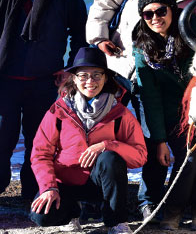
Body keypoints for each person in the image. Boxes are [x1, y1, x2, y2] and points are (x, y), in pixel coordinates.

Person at [0, 0, 87, 202]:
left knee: (40, 142)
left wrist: (71, 71)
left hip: (46, 81)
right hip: (5, 80)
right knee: (2, 139)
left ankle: (33, 193)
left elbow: (80, 34)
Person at [132, 0, 196, 231]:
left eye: (161, 11)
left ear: (172, 10)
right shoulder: (142, 47)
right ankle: (172, 212)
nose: (155, 18)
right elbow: (150, 97)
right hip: (172, 115)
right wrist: (160, 140)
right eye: (147, 14)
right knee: (189, 159)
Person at [29, 46, 146, 234]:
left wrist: (108, 145)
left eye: (97, 75)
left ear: (106, 77)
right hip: (65, 184)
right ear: (73, 79)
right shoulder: (58, 111)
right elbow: (40, 154)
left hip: (100, 184)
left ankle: (116, 221)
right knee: (42, 217)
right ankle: (73, 212)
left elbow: (139, 156)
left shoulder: (120, 113)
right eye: (83, 75)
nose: (90, 81)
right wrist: (49, 187)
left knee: (110, 158)